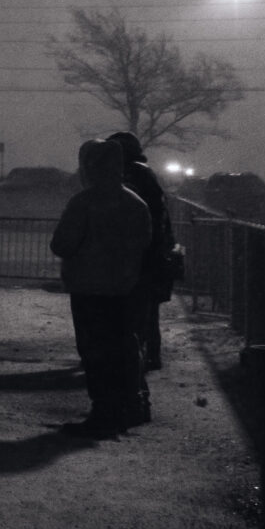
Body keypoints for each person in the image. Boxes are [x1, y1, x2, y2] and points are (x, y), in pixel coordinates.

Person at [50, 138, 152, 438]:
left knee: (94, 352)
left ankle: (103, 412)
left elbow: (62, 244)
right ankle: (127, 406)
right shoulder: (136, 204)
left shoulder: (83, 203)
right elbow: (144, 244)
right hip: (124, 289)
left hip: (89, 289)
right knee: (122, 348)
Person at [109, 132, 177, 375]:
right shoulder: (145, 174)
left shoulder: (132, 175)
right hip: (152, 253)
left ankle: (140, 358)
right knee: (147, 309)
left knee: (138, 309)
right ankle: (149, 355)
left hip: (142, 255)